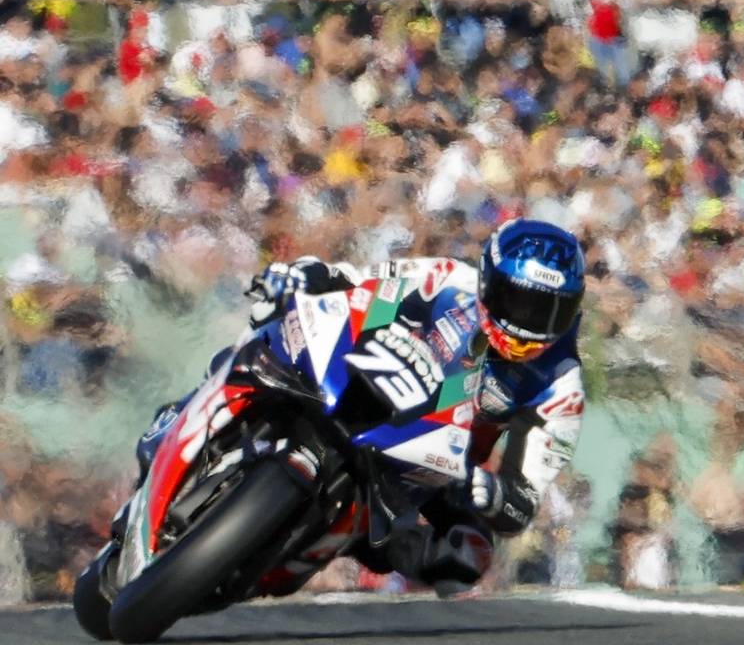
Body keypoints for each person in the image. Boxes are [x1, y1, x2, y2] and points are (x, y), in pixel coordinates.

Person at [136, 219, 589, 596]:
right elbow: (352, 280)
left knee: (467, 559)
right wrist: (302, 276)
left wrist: (492, 494)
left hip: (430, 468)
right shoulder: (446, 279)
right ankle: (188, 411)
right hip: (363, 382)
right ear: (489, 281)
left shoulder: (561, 384)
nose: (530, 324)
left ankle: (340, 548)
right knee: (268, 324)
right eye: (521, 301)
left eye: (551, 310)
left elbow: (523, 497)